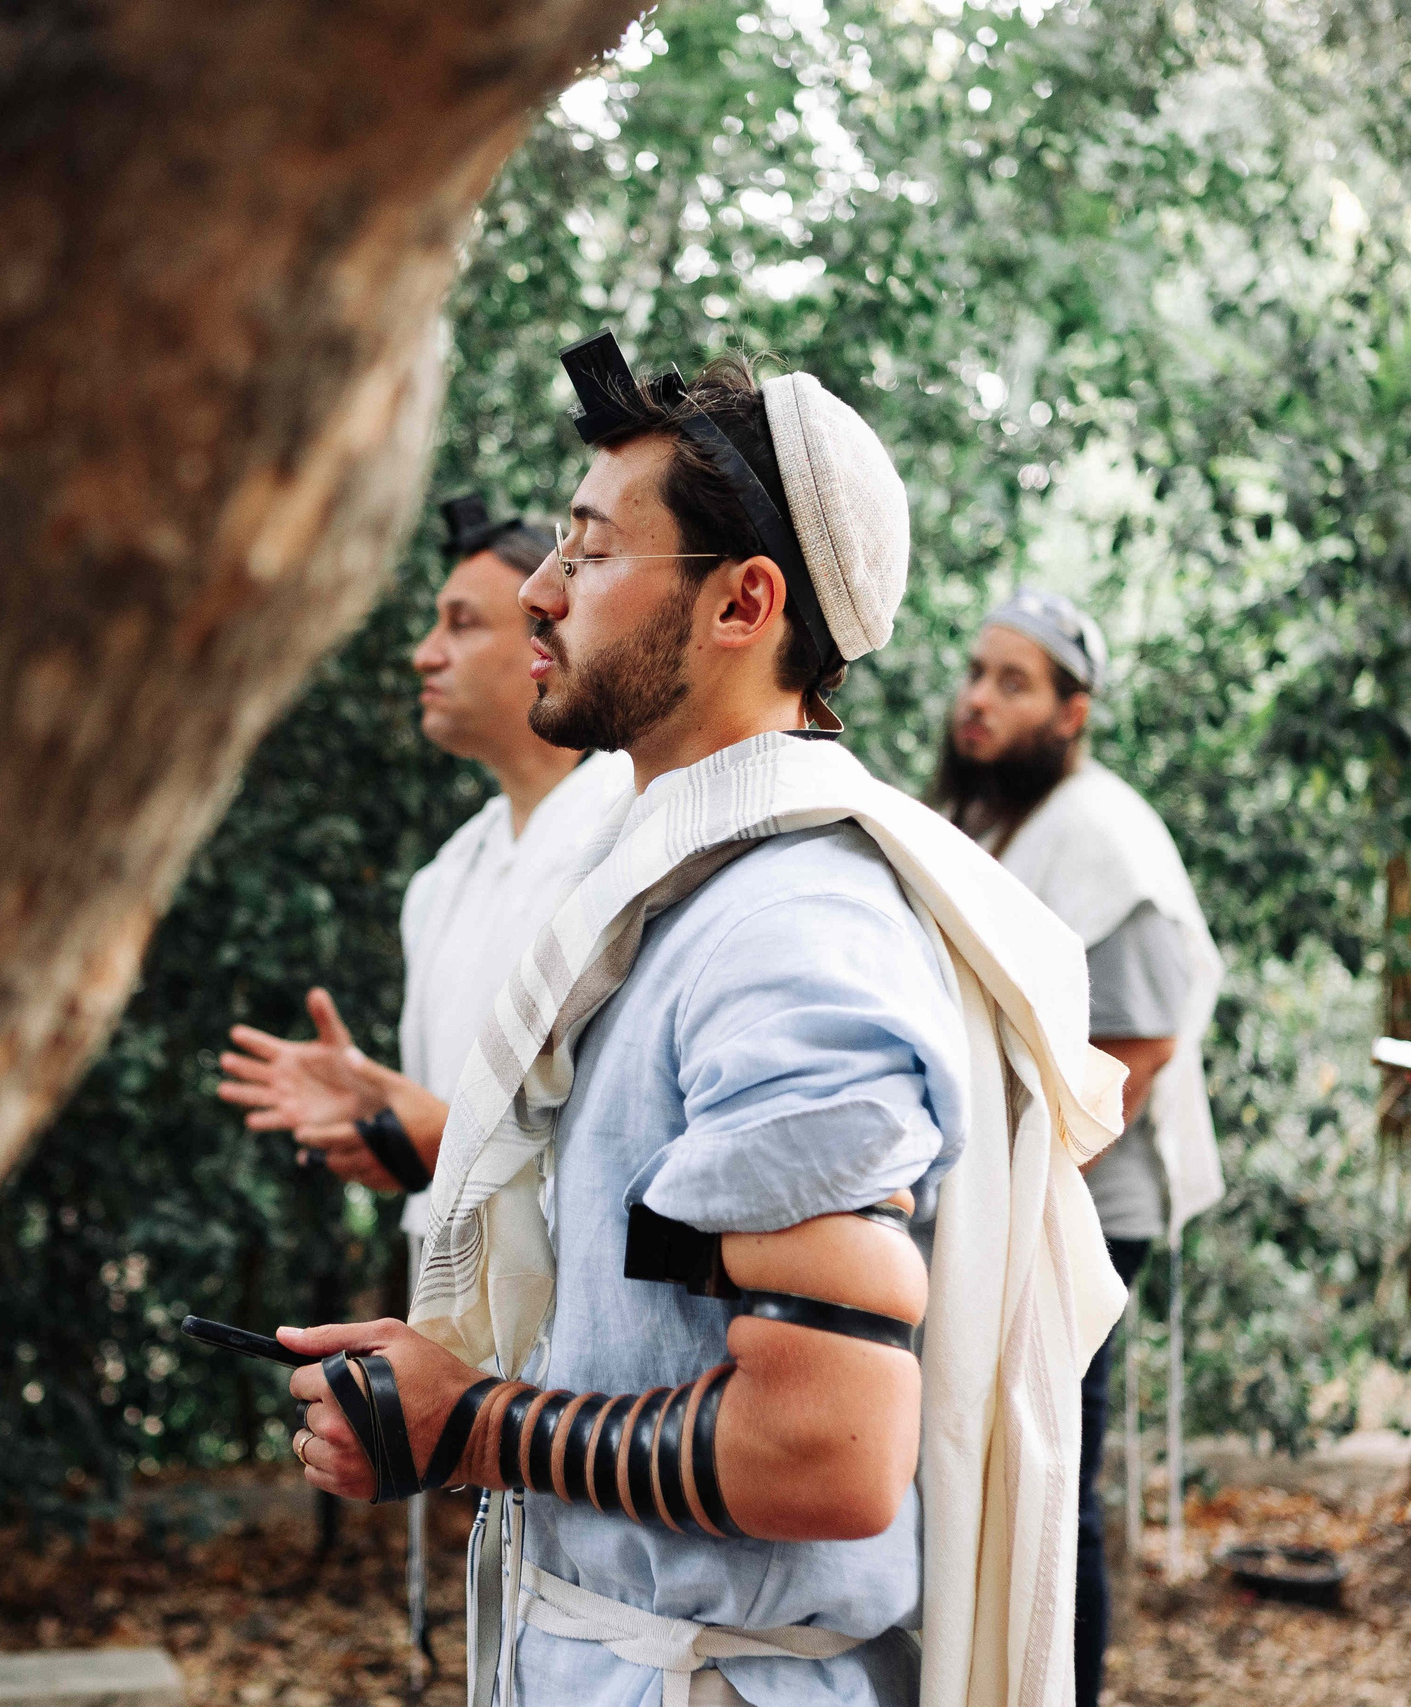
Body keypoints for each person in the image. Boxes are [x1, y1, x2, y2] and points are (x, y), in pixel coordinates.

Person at [273, 330, 1133, 1707]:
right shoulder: (687, 893)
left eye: (592, 551)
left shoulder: (793, 936)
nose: (543, 593)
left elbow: (827, 1449)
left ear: (743, 605)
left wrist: (467, 1421)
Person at [932, 590, 1224, 1706]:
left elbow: (1135, 1046)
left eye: (1013, 683)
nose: (978, 700)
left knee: (1049, 1479)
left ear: (1072, 712)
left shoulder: (1102, 835)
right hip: (1006, 1195)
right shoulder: (999, 817)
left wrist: (1012, 1196)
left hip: (1080, 1211)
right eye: (976, 673)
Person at [214, 494, 628, 1201]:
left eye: (461, 625)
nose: (423, 655)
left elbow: (639, 1136)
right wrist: (392, 1132)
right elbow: (442, 1161)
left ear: (549, 633)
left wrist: (449, 1135)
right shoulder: (441, 881)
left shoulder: (638, 837)